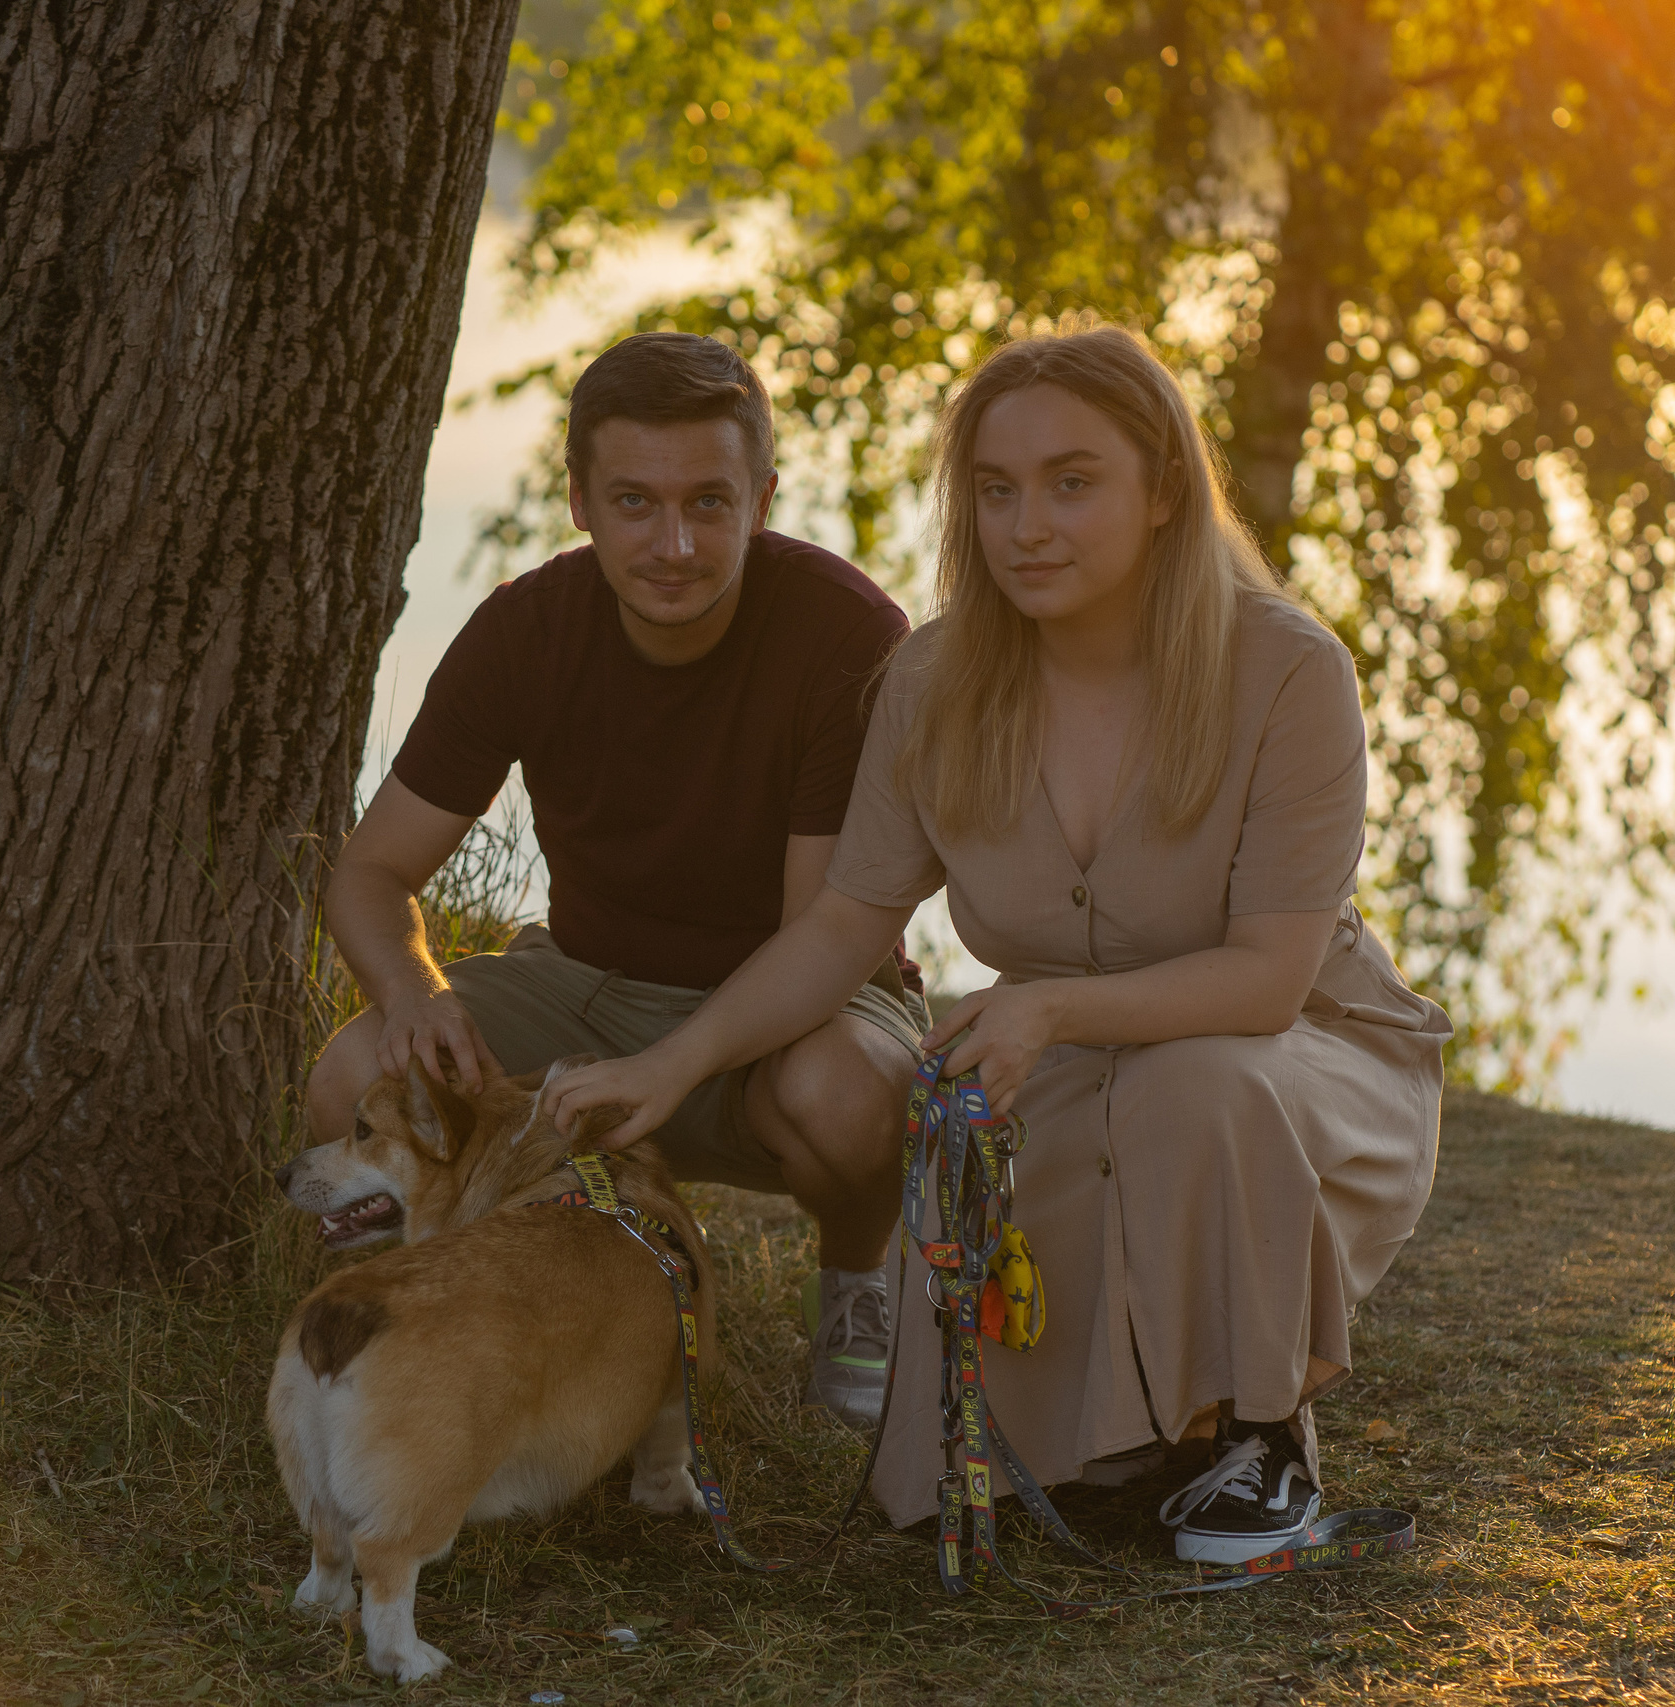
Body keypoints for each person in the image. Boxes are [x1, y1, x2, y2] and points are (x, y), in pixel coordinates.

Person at [547, 324, 1450, 1563]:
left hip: (1293, 1060)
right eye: (994, 488)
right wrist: (672, 1066)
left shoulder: (1285, 672)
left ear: (1163, 489)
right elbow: (840, 929)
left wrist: (1048, 1012)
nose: (1025, 524)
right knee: (944, 1450)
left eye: (1072, 483)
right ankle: (1120, 1438)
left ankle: (1255, 1437)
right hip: (1072, 1067)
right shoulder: (930, 682)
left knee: (1199, 1079)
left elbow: (1268, 979)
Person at [307, 332, 929, 1426]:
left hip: (798, 998)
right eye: (635, 502)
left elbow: (824, 932)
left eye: (709, 503)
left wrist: (674, 1065)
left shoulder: (850, 637)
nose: (674, 543)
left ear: (764, 498)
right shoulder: (526, 628)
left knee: (846, 1099)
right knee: (352, 1073)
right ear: (582, 500)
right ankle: (426, 1320)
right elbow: (373, 871)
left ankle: (858, 1284)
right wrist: (412, 991)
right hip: (585, 979)